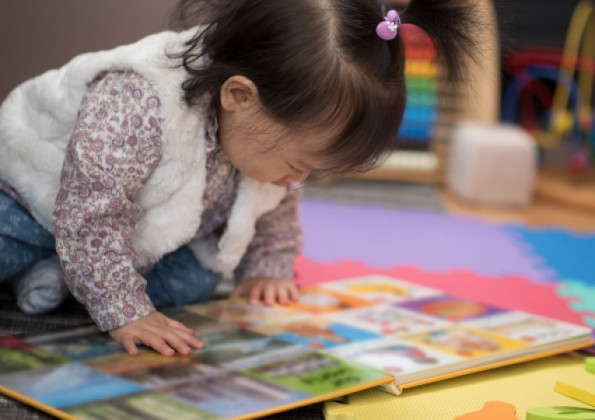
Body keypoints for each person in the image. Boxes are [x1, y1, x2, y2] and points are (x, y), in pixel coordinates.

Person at [0, 0, 479, 357]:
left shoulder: (266, 133)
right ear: (238, 96)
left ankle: (62, 277)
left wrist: (268, 267)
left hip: (131, 231)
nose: (300, 179)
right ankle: (70, 273)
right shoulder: (137, 101)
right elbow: (90, 211)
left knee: (197, 283)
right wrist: (127, 312)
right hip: (34, 201)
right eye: (299, 162)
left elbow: (274, 203)